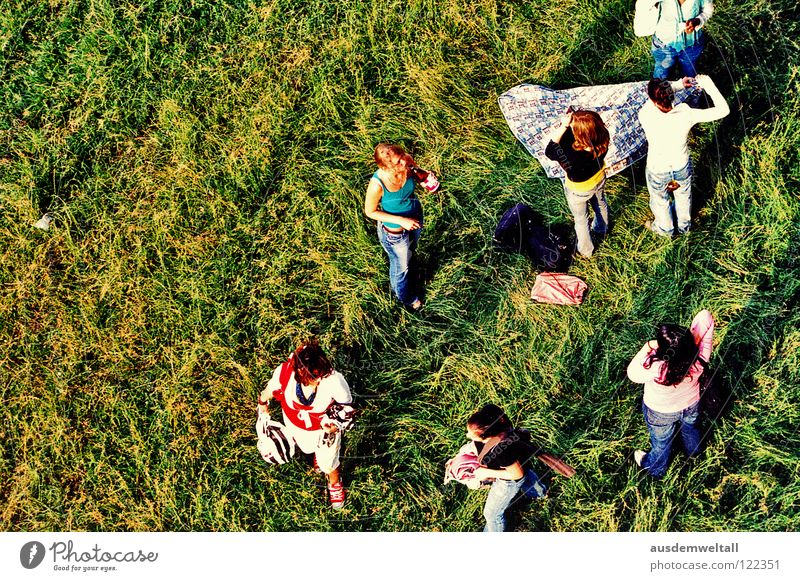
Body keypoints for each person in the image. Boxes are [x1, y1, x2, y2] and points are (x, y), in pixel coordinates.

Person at [257, 339, 353, 509]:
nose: (317, 381)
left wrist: (335, 425)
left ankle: (335, 483)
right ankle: (316, 454)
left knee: (328, 462)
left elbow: (345, 406)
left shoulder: (334, 380)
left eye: (319, 375)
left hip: (324, 429)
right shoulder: (285, 372)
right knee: (307, 448)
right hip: (295, 425)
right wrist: (262, 404)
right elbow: (269, 391)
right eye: (312, 377)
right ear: (299, 371)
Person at [638, 75, 730, 236]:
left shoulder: (645, 113)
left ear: (652, 100)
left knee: (660, 201)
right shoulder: (686, 113)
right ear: (671, 96)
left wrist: (678, 85)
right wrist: (708, 84)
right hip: (681, 165)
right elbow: (724, 110)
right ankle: (684, 227)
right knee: (683, 197)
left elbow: (658, 98)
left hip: (657, 168)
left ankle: (665, 230)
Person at [627, 309, 715, 478]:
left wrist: (649, 345)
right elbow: (705, 316)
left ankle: (655, 468)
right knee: (691, 429)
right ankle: (695, 454)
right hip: (691, 404)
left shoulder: (655, 367)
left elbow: (632, 373)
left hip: (660, 412)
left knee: (661, 442)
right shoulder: (701, 356)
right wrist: (688, 342)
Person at [466, 404, 547, 532]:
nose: (467, 436)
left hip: (508, 482)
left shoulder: (502, 450)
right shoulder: (497, 422)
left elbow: (516, 475)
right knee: (527, 475)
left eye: (472, 435)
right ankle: (540, 493)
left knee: (491, 514)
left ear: (487, 436)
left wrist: (485, 472)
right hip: (521, 462)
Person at [364, 143, 424, 310]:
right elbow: (370, 211)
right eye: (398, 163)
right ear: (385, 166)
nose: (403, 163)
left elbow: (418, 175)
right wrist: (401, 221)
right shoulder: (377, 184)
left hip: (415, 218)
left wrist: (426, 178)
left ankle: (413, 272)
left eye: (402, 156)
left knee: (411, 251)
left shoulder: (407, 161)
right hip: (395, 232)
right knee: (401, 267)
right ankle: (408, 299)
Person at [544, 110, 610, 258]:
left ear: (578, 135)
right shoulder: (603, 137)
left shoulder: (568, 153)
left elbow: (549, 150)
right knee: (600, 203)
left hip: (578, 189)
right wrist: (575, 123)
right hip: (599, 178)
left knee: (581, 219)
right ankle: (602, 228)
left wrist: (563, 126)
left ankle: (586, 251)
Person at [634, 0, 715, 79]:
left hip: (691, 46)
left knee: (690, 77)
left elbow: (707, 11)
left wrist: (698, 21)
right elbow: (642, 5)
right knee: (661, 76)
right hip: (664, 45)